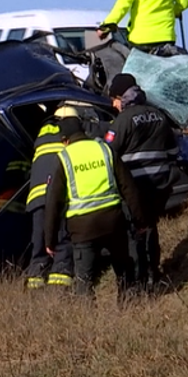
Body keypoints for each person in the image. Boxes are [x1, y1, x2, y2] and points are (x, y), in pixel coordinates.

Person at [44, 116, 147, 299]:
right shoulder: (104, 149)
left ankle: (88, 321)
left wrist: (50, 240)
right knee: (124, 275)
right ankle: (130, 309)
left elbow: (54, 203)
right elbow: (128, 187)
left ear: (64, 140)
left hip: (82, 230)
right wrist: (139, 220)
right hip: (114, 223)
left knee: (84, 283)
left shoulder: (64, 157)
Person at [104, 73, 180, 290]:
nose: (113, 104)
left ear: (122, 96)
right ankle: (153, 273)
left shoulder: (123, 120)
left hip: (135, 187)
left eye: (114, 99)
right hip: (160, 185)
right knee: (150, 228)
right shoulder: (158, 114)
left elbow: (108, 153)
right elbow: (174, 150)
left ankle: (139, 279)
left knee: (135, 231)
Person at [25, 105, 77, 290]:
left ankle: (35, 287)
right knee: (62, 241)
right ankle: (59, 288)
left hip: (36, 199)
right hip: (58, 196)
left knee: (39, 246)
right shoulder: (69, 135)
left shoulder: (41, 135)